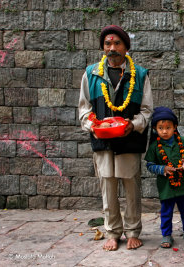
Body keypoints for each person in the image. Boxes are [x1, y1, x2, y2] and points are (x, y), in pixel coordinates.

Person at [78, 25, 153, 251]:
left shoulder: (139, 74)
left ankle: (132, 232)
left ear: (126, 47)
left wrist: (133, 124)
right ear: (103, 47)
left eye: (117, 43)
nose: (112, 48)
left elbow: (147, 110)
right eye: (108, 44)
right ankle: (112, 232)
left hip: (129, 140)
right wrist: (94, 125)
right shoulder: (91, 73)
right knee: (107, 187)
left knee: (131, 187)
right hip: (103, 142)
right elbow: (83, 109)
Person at [144, 107, 184, 248]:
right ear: (155, 129)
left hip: (183, 184)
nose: (164, 131)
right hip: (166, 187)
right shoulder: (155, 147)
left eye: (168, 127)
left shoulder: (183, 142)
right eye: (160, 128)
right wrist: (162, 169)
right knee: (166, 211)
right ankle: (167, 235)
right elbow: (149, 165)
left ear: (175, 127)